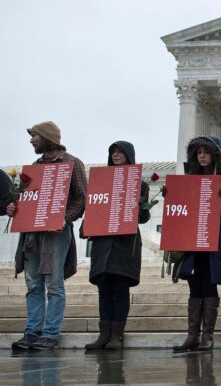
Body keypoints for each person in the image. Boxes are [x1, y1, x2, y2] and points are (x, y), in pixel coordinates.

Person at [9, 121, 87, 351]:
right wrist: (16, 207)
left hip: (57, 231)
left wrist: (65, 218)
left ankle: (51, 333)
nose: (31, 140)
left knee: (54, 284)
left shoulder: (72, 163)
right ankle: (32, 332)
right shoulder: (34, 166)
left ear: (47, 137)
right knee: (33, 284)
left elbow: (81, 198)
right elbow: (29, 200)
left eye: (34, 136)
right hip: (32, 233)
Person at [173, 136, 221, 352]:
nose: (202, 156)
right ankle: (192, 335)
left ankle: (207, 336)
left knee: (210, 285)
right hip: (192, 242)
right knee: (194, 286)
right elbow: (180, 212)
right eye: (198, 152)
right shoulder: (188, 179)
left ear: (215, 155)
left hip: (214, 241)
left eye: (206, 152)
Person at [83, 141, 151, 350]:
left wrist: (140, 207)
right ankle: (104, 334)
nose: (116, 155)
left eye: (120, 152)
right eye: (113, 152)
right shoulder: (100, 181)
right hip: (104, 242)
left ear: (129, 155)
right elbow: (94, 207)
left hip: (125, 243)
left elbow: (144, 217)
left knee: (120, 288)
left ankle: (117, 335)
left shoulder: (140, 184)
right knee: (104, 289)